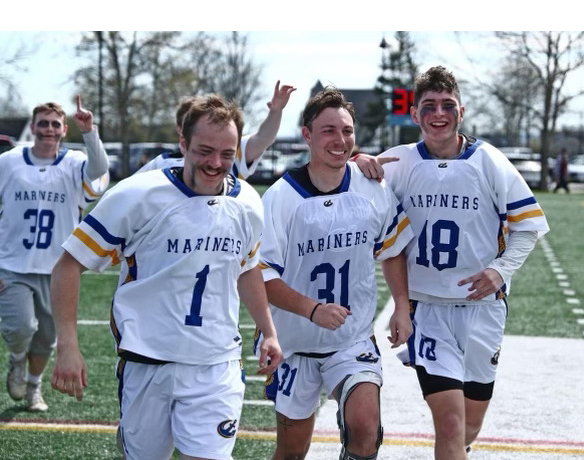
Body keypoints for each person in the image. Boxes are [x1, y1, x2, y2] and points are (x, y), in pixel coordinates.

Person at [49, 94, 283, 460]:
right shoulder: (137, 195)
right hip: (146, 361)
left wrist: (268, 331)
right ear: (183, 144)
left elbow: (247, 268)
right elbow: (68, 265)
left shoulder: (249, 202)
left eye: (226, 153)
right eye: (205, 151)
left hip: (215, 364)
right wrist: (67, 343)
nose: (215, 163)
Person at [354, 66, 550, 459]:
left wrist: (499, 270)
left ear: (461, 110)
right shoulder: (399, 161)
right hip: (428, 310)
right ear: (415, 114)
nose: (438, 114)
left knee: (467, 427)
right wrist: (359, 160)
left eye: (447, 106)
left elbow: (528, 226)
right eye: (429, 106)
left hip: (483, 310)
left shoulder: (490, 161)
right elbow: (349, 177)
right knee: (450, 423)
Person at [257, 87, 414, 460]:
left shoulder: (372, 187)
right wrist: (312, 309)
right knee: (292, 451)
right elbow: (260, 277)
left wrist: (402, 306)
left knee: (364, 428)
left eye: (346, 131)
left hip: (352, 338)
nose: (340, 140)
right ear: (307, 135)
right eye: (328, 130)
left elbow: (391, 249)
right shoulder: (280, 198)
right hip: (295, 343)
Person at [0, 97, 109, 412]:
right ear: (33, 127)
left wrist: (89, 132)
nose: (49, 129)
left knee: (47, 337)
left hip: (57, 268)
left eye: (55, 124)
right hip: (12, 263)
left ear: (63, 130)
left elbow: (101, 171)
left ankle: (34, 386)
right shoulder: (8, 162)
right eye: (43, 123)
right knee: (19, 328)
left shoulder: (75, 162)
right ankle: (17, 359)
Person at [136, 80, 296, 179]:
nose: (215, 163)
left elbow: (263, 139)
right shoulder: (161, 164)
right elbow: (125, 195)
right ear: (181, 131)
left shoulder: (232, 155)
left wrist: (276, 112)